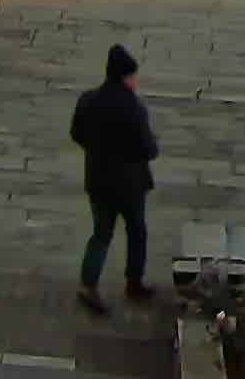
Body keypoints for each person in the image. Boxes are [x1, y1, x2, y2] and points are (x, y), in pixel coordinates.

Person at [69, 45, 159, 313]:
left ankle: (88, 285)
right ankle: (134, 282)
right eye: (133, 76)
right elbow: (149, 149)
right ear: (124, 77)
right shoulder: (133, 108)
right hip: (130, 185)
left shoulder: (88, 100)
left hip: (97, 181)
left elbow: (76, 133)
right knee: (137, 231)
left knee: (101, 234)